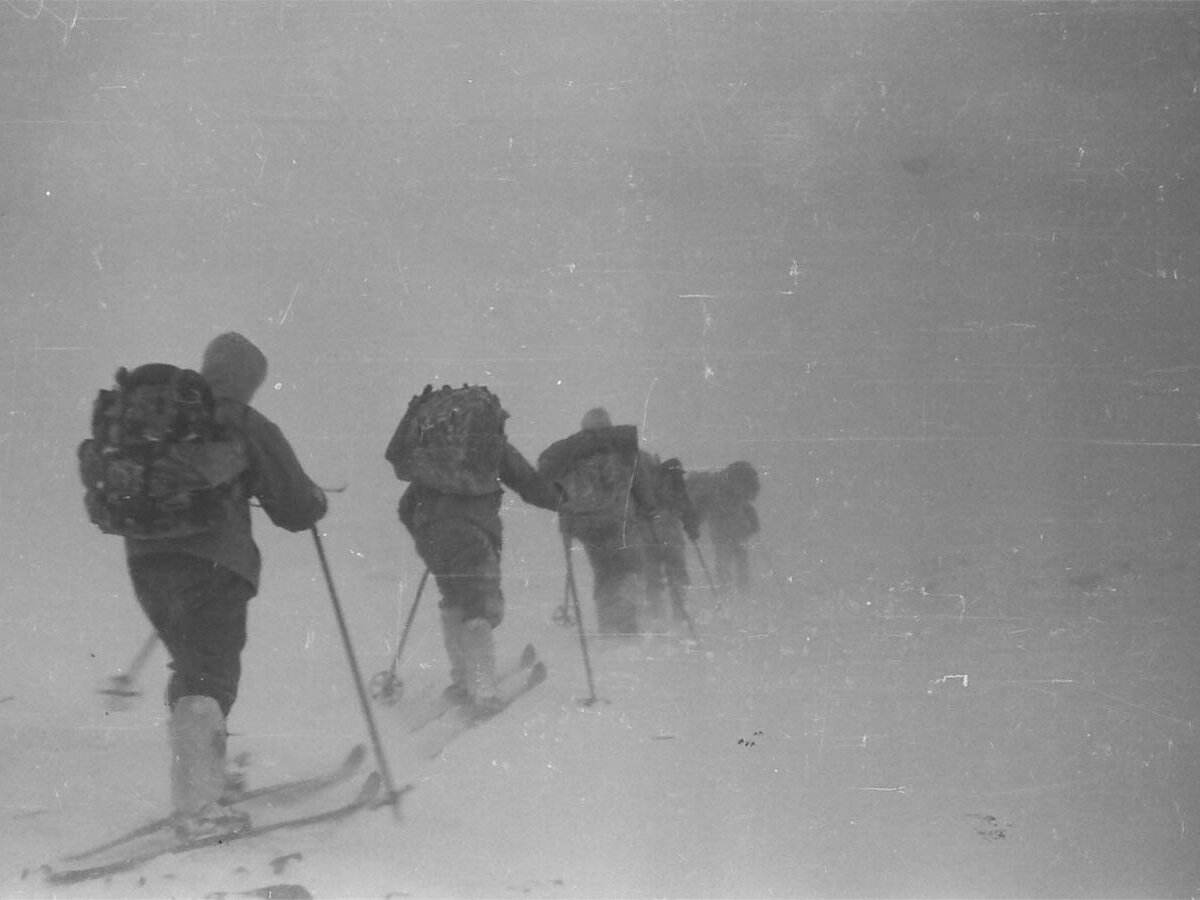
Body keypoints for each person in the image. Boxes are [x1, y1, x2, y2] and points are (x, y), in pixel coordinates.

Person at [123, 332, 328, 839]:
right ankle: (199, 808)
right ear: (251, 378)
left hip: (145, 557)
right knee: (209, 674)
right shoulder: (242, 420)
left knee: (191, 667)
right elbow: (297, 508)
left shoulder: (162, 412)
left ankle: (201, 783)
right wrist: (316, 501)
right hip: (215, 562)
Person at [386, 389, 560, 712]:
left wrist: (428, 531)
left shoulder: (430, 455)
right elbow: (529, 484)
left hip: (431, 535)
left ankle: (463, 682)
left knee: (454, 601)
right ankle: (483, 691)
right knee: (478, 606)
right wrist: (563, 501)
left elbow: (405, 505)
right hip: (473, 533)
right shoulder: (490, 446)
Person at [539, 407, 659, 635]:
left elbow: (551, 486)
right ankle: (625, 625)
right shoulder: (623, 449)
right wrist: (648, 510)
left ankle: (608, 626)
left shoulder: (571, 452)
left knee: (604, 574)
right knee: (628, 569)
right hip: (618, 522)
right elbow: (641, 485)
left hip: (585, 527)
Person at [641, 456, 700, 626]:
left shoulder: (647, 484)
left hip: (647, 534)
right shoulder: (676, 484)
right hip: (670, 534)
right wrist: (692, 530)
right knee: (676, 574)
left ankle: (656, 615)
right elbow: (686, 508)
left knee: (653, 577)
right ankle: (680, 614)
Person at [687, 460, 760, 593]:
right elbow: (747, 505)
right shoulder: (733, 488)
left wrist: (694, 525)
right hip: (740, 527)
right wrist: (753, 525)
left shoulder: (714, 489)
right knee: (741, 560)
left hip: (721, 530)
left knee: (723, 561)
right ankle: (744, 592)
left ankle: (726, 592)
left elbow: (703, 509)